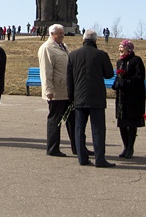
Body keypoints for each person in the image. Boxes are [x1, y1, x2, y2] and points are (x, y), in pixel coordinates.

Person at [67, 29, 115, 167]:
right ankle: (100, 159)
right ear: (95, 40)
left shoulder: (73, 55)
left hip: (79, 97)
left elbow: (69, 79)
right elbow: (109, 74)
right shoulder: (101, 55)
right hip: (96, 97)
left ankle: (82, 158)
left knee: (79, 129)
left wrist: (71, 97)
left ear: (83, 39)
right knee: (98, 129)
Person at [38, 23, 77, 157]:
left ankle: (77, 147)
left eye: (63, 33)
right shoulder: (47, 48)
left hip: (67, 90)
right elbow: (45, 71)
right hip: (56, 91)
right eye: (59, 33)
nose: (62, 35)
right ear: (52, 34)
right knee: (55, 120)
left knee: (73, 119)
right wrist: (48, 89)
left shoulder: (64, 47)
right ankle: (53, 148)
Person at [113, 40, 145, 159]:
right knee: (122, 123)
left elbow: (139, 77)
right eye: (119, 47)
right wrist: (116, 84)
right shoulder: (119, 62)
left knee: (131, 123)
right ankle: (126, 146)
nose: (120, 49)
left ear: (128, 48)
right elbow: (118, 77)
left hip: (133, 97)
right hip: (122, 98)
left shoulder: (136, 60)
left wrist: (126, 82)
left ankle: (130, 147)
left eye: (122, 47)